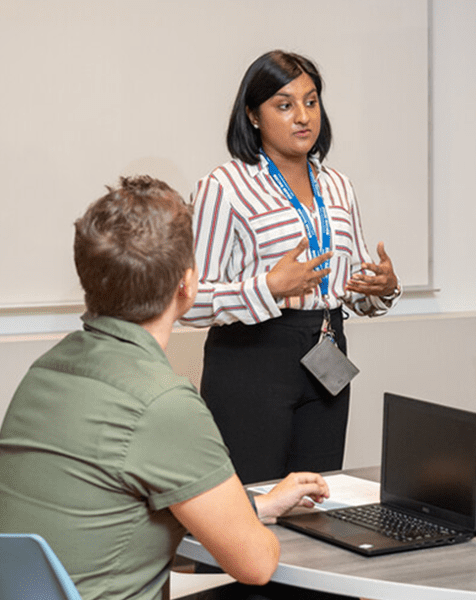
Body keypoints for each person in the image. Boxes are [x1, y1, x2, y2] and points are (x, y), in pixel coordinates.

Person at [0, 176, 331, 600]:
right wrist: (257, 530)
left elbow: (104, 505)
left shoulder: (47, 370)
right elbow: (256, 564)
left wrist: (259, 507)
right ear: (188, 284)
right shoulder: (162, 403)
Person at [182, 50, 401, 484]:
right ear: (254, 115)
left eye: (311, 101)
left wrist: (381, 289)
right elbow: (187, 301)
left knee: (317, 499)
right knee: (252, 505)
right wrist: (267, 288)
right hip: (252, 359)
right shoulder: (223, 187)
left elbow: (350, 290)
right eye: (284, 105)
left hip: (327, 350)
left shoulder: (338, 186)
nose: (302, 116)